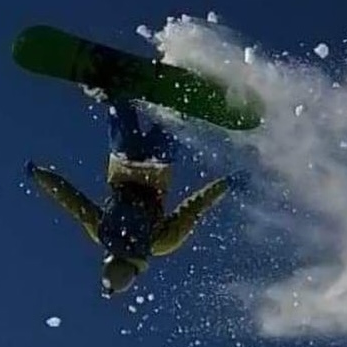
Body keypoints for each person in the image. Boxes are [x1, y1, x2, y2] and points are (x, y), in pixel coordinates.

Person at [26, 100, 238, 297]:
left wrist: (226, 184)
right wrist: (39, 174)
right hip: (124, 158)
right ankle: (114, 92)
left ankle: (185, 99)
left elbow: (194, 207)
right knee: (119, 105)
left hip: (157, 163)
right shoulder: (103, 233)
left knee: (177, 114)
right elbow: (70, 198)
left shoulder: (159, 244)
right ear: (108, 260)